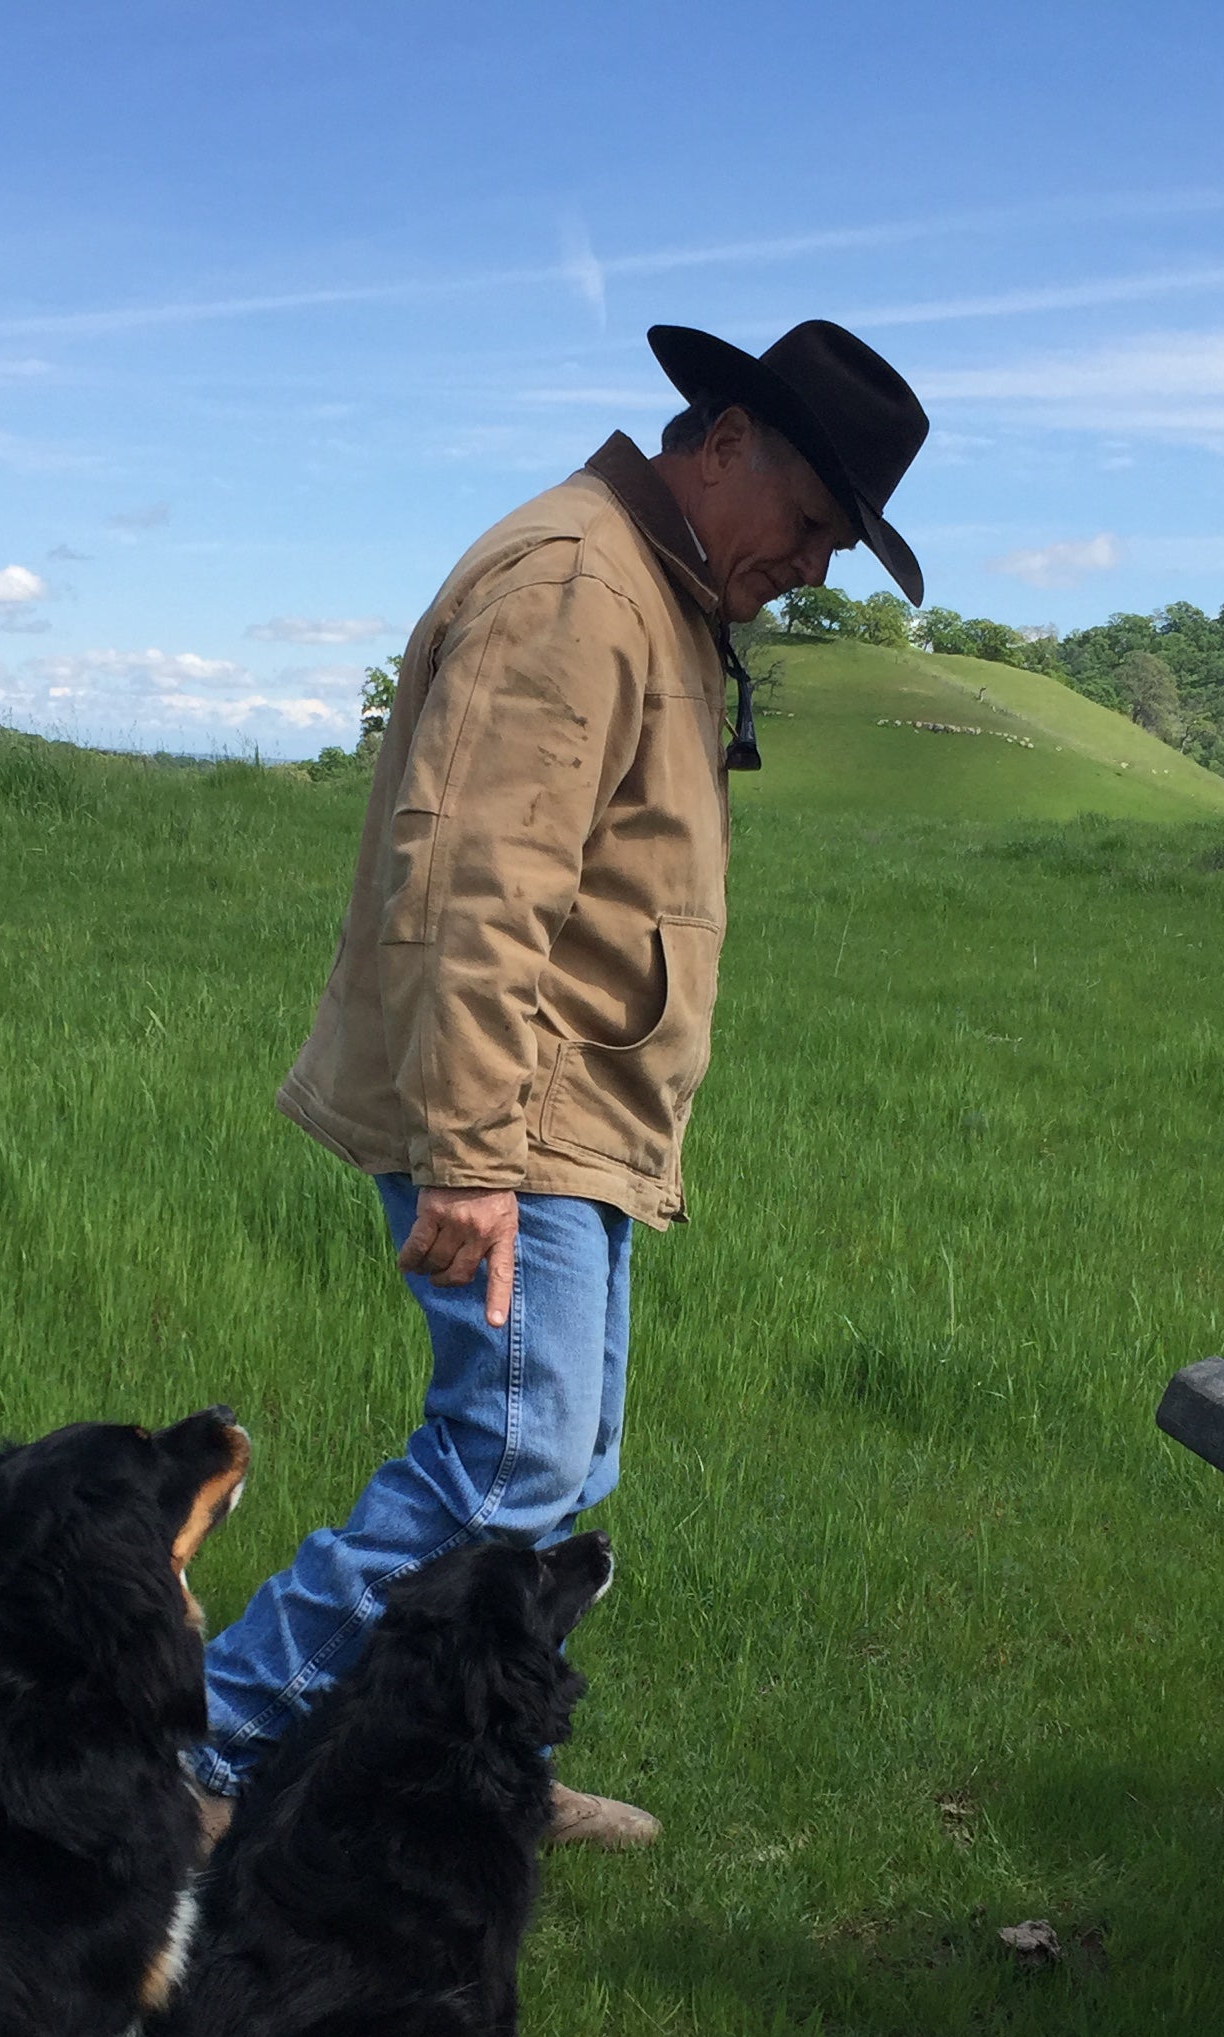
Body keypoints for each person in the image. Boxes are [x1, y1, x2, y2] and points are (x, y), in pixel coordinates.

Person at [193, 320, 932, 1848]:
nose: (812, 565)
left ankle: (475, 1762)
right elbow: (472, 883)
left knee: (561, 1459)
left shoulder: (651, 590)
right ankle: (202, 1757)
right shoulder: (579, 588)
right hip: (512, 1114)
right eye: (807, 523)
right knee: (507, 1456)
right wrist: (469, 1151)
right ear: (722, 440)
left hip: (569, 1111)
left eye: (838, 544)